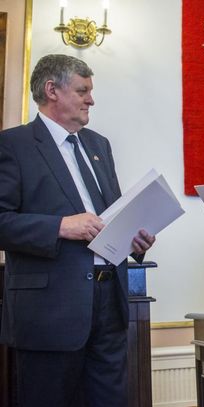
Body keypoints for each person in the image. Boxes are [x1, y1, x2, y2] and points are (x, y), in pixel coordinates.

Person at [0, 54, 156, 407]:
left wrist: (135, 239)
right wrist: (60, 226)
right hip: (50, 310)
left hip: (110, 303)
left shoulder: (99, 145)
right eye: (83, 91)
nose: (91, 100)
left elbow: (112, 216)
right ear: (52, 90)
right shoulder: (13, 145)